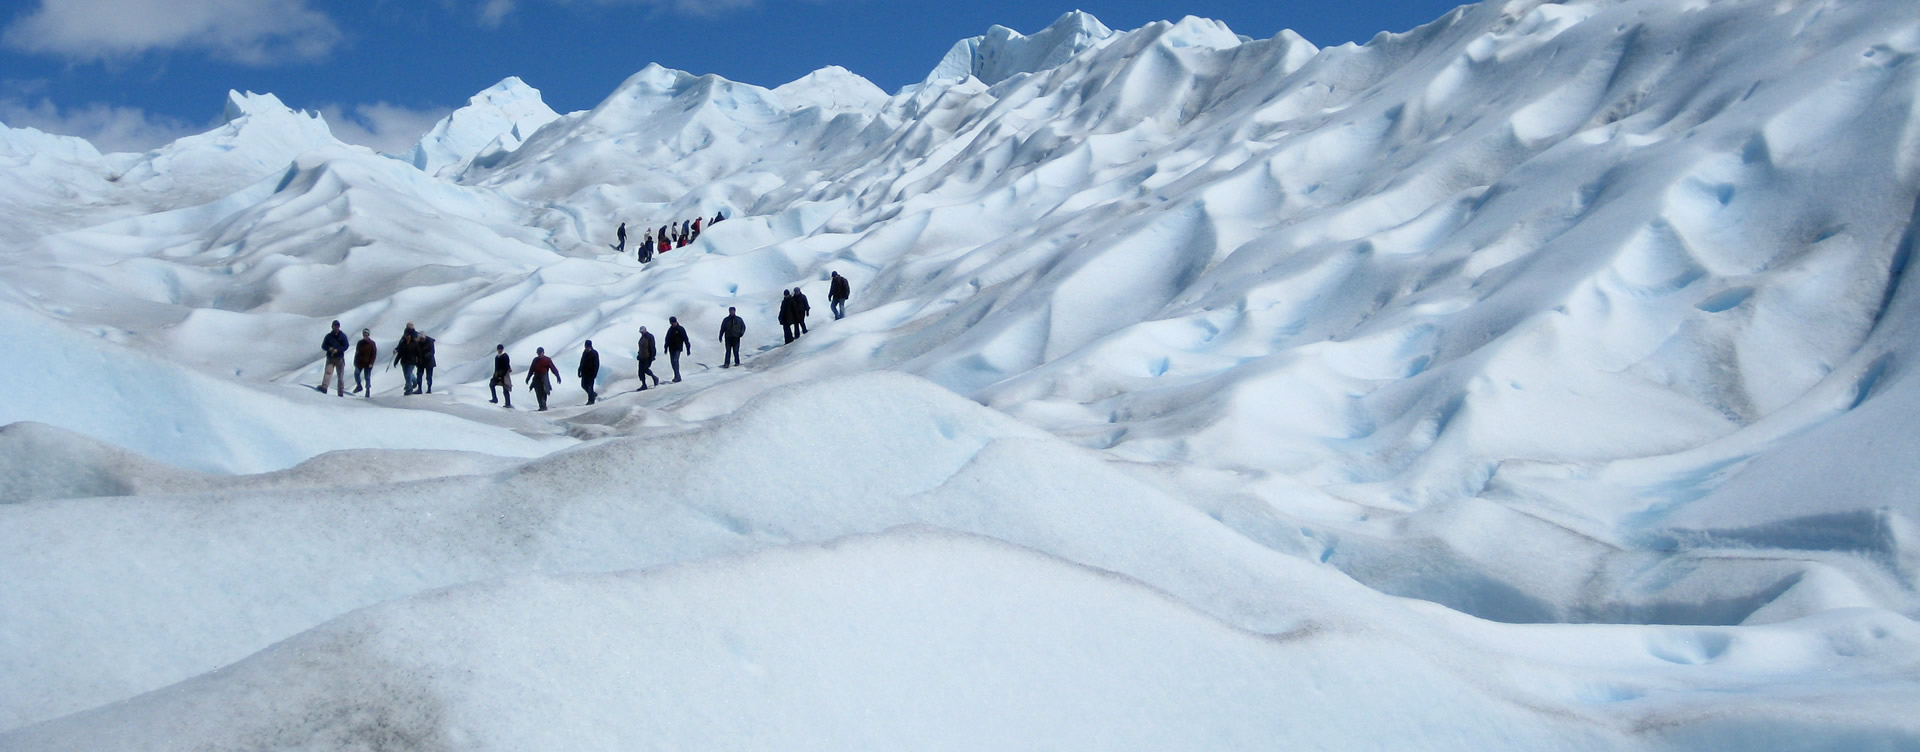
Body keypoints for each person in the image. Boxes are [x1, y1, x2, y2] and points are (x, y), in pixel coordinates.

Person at [319, 320, 349, 396]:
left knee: (340, 375)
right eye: (335, 326)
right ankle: (324, 388)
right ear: (332, 327)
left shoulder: (342, 336)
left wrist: (338, 349)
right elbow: (323, 346)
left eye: (337, 326)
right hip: (330, 357)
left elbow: (346, 346)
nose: (336, 328)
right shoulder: (329, 336)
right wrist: (330, 349)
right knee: (328, 373)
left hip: (339, 358)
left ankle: (340, 392)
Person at [527, 346, 561, 411]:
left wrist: (557, 376)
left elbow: (553, 368)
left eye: (540, 353)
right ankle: (541, 406)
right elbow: (531, 369)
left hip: (544, 377)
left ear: (543, 352)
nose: (539, 354)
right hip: (536, 377)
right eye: (538, 353)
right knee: (538, 392)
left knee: (544, 391)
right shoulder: (535, 360)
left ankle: (543, 406)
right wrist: (528, 378)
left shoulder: (547, 360)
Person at [392, 323, 421, 395]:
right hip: (404, 361)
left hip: (411, 361)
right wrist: (396, 360)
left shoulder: (415, 340)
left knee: (408, 375)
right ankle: (414, 381)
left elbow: (418, 352)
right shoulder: (403, 342)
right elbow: (400, 351)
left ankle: (409, 389)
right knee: (407, 375)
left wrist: (418, 361)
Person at [352, 328, 377, 398]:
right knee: (356, 373)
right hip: (360, 362)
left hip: (368, 363)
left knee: (367, 377)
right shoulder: (360, 343)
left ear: (368, 335)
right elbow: (357, 352)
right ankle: (359, 385)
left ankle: (368, 389)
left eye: (366, 334)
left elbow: (374, 354)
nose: (365, 336)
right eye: (364, 334)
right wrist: (355, 361)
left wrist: (371, 363)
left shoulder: (372, 343)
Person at [664, 316, 689, 382]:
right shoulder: (670, 329)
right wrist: (666, 348)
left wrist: (688, 348)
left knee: (675, 360)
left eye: (672, 322)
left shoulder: (680, 329)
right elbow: (667, 339)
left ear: (675, 322)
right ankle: (676, 375)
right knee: (672, 362)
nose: (671, 324)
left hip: (678, 348)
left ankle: (678, 376)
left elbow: (685, 339)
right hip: (671, 348)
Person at [578, 341, 601, 405]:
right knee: (583, 385)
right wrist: (579, 370)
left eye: (587, 346)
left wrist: (595, 373)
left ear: (590, 346)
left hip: (591, 373)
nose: (586, 348)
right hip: (584, 373)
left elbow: (597, 364)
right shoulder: (584, 353)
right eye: (585, 346)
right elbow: (582, 362)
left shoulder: (594, 353)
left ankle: (591, 400)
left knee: (589, 386)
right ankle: (593, 394)